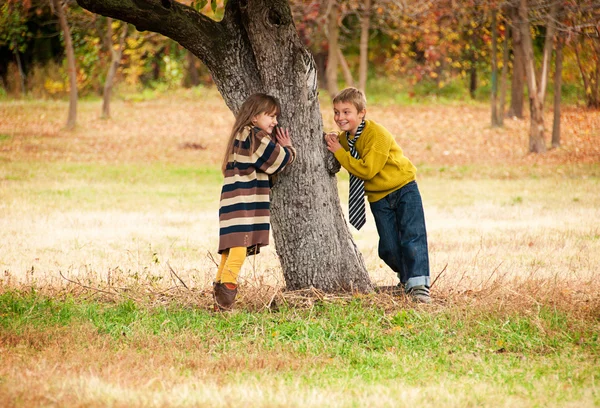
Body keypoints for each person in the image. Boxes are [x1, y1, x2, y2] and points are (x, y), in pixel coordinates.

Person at [324, 87, 431, 303]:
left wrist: (338, 152)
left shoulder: (377, 134)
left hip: (403, 188)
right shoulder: (346, 140)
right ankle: (407, 279)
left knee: (412, 236)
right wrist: (335, 144)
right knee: (389, 247)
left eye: (346, 112)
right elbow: (343, 150)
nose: (340, 117)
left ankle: (419, 286)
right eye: (336, 112)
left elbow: (366, 170)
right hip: (378, 197)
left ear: (362, 112)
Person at [213, 93, 296, 311]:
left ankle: (219, 299)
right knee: (237, 251)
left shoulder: (241, 134)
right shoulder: (253, 135)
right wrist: (289, 149)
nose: (275, 121)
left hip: (233, 202)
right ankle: (223, 304)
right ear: (254, 117)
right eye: (270, 116)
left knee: (229, 251)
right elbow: (276, 159)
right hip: (242, 203)